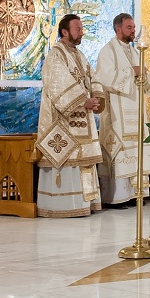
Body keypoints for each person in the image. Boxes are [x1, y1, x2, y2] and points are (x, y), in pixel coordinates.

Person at [35, 14, 104, 217]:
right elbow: (57, 83)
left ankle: (86, 203)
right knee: (68, 157)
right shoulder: (55, 54)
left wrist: (97, 96)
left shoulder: (79, 55)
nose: (81, 32)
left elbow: (92, 77)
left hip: (84, 115)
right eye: (77, 28)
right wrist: (83, 101)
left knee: (84, 158)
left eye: (82, 28)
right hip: (63, 119)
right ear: (64, 31)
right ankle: (63, 206)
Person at [95, 13, 150, 208]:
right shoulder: (107, 51)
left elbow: (144, 76)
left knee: (137, 148)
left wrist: (144, 77)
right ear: (118, 29)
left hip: (135, 109)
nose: (133, 31)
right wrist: (132, 73)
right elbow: (104, 77)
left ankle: (136, 193)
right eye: (129, 28)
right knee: (120, 150)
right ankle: (117, 196)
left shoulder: (136, 52)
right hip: (117, 112)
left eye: (134, 27)